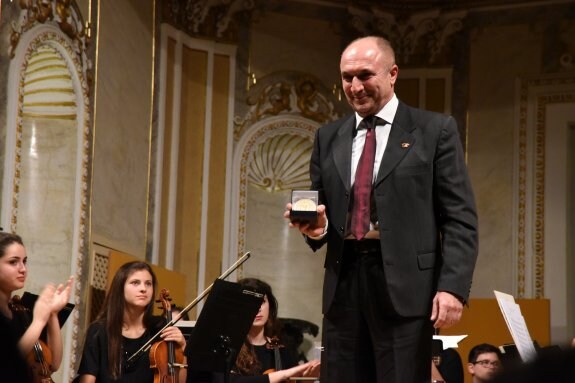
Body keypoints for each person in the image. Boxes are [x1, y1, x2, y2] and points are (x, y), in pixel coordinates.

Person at [284, 35, 478, 383]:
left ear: (393, 74)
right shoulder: (328, 137)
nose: (355, 86)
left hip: (406, 289)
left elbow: (460, 218)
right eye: (347, 77)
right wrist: (318, 229)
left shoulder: (434, 130)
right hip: (343, 285)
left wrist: (452, 288)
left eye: (365, 75)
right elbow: (322, 211)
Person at [188, 278, 320, 383]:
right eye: (251, 303)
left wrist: (308, 379)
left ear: (270, 307)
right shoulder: (226, 347)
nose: (257, 309)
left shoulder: (283, 349)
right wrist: (281, 375)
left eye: (262, 302)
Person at [76, 261, 187, 383]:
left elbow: (177, 381)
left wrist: (183, 348)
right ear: (120, 288)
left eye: (148, 284)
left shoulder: (160, 327)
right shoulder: (99, 331)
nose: (143, 289)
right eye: (135, 283)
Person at [0, 231, 73, 382]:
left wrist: (52, 314)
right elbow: (7, 362)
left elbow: (53, 364)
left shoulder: (19, 311)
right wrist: (39, 321)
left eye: (24, 261)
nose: (23, 269)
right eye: (13, 262)